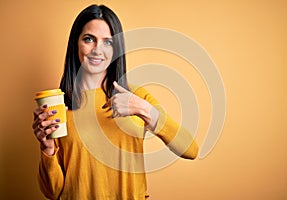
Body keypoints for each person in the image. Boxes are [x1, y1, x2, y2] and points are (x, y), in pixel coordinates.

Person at [32, 4, 199, 200]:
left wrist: (145, 110)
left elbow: (191, 150)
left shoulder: (136, 96)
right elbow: (53, 193)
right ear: (76, 44)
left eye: (108, 42)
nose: (97, 50)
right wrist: (47, 148)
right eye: (89, 39)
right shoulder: (58, 107)